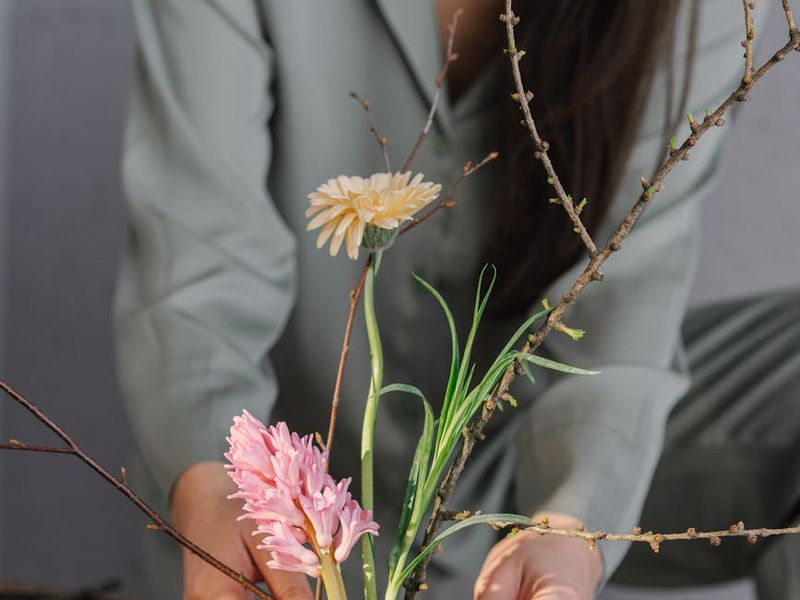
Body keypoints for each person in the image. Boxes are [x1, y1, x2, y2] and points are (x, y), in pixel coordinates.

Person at [114, 0, 800, 598]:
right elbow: (200, 261)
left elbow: (622, 290)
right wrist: (213, 476)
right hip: (296, 498)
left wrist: (570, 524)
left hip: (538, 440)